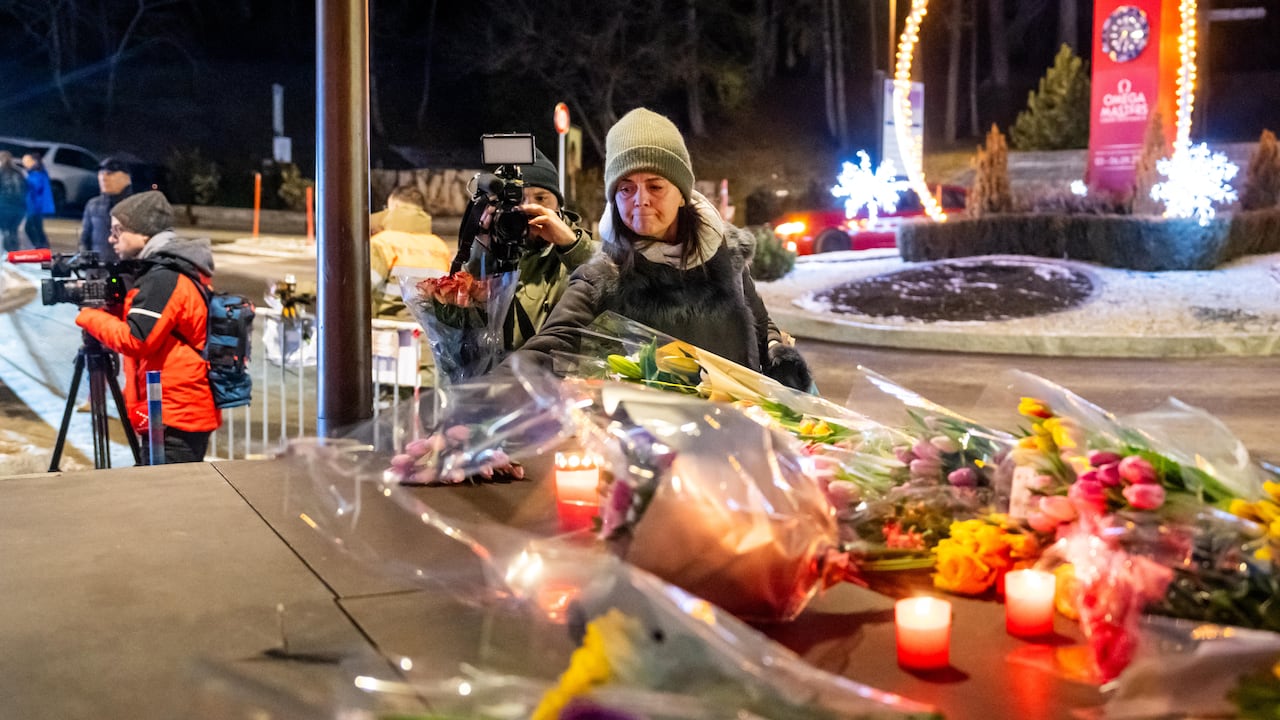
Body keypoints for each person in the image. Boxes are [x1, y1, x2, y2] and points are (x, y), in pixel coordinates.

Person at [508, 108, 812, 390]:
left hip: (738, 436)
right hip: (652, 444)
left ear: (682, 193)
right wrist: (485, 401)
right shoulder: (603, 277)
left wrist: (780, 357)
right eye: (626, 188)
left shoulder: (726, 255)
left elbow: (760, 325)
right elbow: (545, 351)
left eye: (655, 186)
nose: (640, 199)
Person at [74, 191, 220, 463]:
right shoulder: (167, 269)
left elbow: (137, 340)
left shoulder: (164, 276)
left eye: (118, 231)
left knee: (166, 501)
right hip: (169, 410)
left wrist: (89, 315)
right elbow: (153, 328)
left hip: (174, 415)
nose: (111, 239)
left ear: (143, 232)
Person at [462, 148, 599, 351]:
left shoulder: (579, 252)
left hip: (553, 378)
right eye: (516, 199)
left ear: (559, 206)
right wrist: (481, 246)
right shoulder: (487, 249)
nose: (528, 208)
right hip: (493, 377)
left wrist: (572, 245)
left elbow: (610, 292)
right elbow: (460, 322)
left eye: (541, 198)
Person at [369, 184, 451, 320]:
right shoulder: (439, 246)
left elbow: (363, 290)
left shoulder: (383, 242)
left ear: (394, 207)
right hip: (428, 330)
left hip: (389, 330)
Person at [79, 156, 135, 262]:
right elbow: (84, 240)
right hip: (97, 272)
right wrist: (87, 264)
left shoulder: (137, 205)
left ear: (126, 178)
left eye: (109, 174)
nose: (103, 178)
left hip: (127, 273)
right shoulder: (93, 205)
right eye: (101, 174)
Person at [20, 152, 54, 249]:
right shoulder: (34, 173)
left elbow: (36, 187)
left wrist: (25, 182)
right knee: (36, 228)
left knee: (31, 227)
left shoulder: (38, 174)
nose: (24, 164)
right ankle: (41, 246)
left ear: (33, 161)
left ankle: (41, 246)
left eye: (26, 161)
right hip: (33, 206)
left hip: (36, 206)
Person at [0, 151, 25, 252]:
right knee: (13, 230)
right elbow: (25, 189)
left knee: (5, 231)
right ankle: (15, 253)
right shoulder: (19, 172)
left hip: (4, 206)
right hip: (20, 207)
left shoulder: (1, 172)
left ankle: (8, 254)